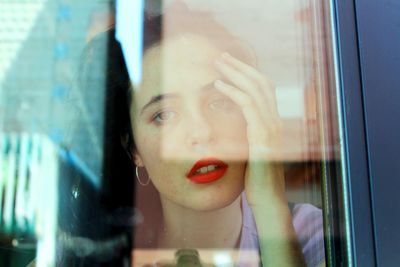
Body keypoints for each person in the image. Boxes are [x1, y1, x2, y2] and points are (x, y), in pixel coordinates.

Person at [88, 3, 325, 266]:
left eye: (219, 103)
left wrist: (270, 205)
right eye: (164, 115)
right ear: (133, 149)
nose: (202, 132)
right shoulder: (98, 251)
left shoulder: (315, 237)